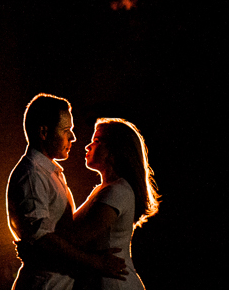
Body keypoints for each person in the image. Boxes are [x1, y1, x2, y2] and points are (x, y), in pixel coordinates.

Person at [6, 94, 128, 290]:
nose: (73, 137)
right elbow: (42, 239)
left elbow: (49, 237)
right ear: (44, 132)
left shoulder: (49, 173)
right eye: (66, 130)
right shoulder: (32, 175)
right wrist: (96, 262)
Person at [65, 118, 160, 290]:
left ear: (114, 150)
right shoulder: (105, 189)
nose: (88, 146)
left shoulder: (117, 192)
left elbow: (75, 240)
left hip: (112, 283)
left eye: (96, 141)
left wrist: (38, 244)